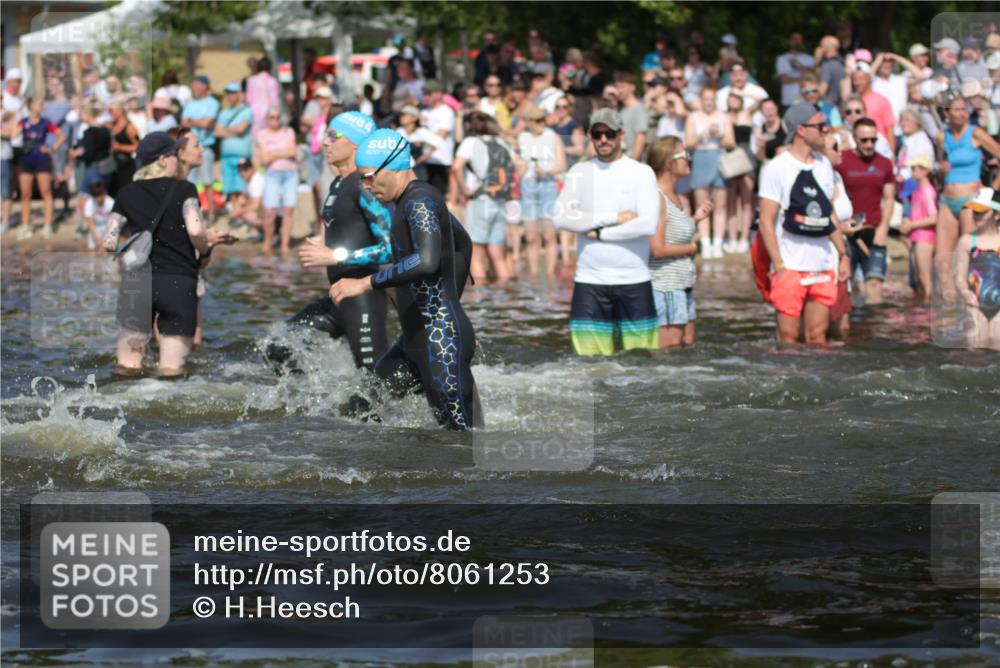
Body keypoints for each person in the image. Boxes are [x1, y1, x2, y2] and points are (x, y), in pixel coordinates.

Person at [328, 129, 481, 431]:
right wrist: (449, 294)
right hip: (415, 340)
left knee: (464, 441)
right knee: (361, 406)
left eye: (369, 177)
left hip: (441, 342)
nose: (366, 186)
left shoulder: (420, 201)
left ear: (394, 165)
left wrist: (366, 283)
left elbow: (425, 261)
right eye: (361, 179)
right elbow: (463, 243)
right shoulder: (410, 200)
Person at [261, 112, 392, 372]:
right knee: (277, 347)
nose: (325, 142)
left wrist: (335, 256)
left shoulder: (365, 185)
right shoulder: (336, 184)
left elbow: (389, 249)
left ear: (356, 143)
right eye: (325, 135)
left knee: (373, 384)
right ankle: (313, 403)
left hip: (363, 298)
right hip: (337, 298)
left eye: (334, 136)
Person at [102, 132, 234, 375]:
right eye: (174, 155)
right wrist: (205, 250)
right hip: (177, 281)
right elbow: (195, 230)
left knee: (127, 368)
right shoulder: (185, 189)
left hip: (135, 284)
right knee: (171, 371)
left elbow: (109, 241)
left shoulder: (125, 193)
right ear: (163, 160)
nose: (177, 160)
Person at [552, 108, 660, 356]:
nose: (603, 140)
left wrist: (600, 233)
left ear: (621, 135)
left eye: (609, 134)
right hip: (590, 281)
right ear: (590, 136)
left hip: (634, 280)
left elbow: (647, 224)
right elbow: (560, 219)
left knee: (644, 363)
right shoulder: (580, 172)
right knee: (589, 364)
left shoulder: (641, 172)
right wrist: (611, 218)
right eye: (597, 134)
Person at [755, 103, 851, 344]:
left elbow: (830, 214)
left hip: (822, 264)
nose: (825, 131)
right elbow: (766, 222)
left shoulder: (824, 165)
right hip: (790, 265)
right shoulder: (777, 168)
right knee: (788, 338)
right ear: (801, 129)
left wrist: (843, 254)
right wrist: (778, 265)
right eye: (820, 126)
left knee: (818, 337)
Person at [647, 137, 711, 347]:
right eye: (684, 155)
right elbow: (657, 249)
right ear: (668, 162)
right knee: (669, 355)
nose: (689, 159)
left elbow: (671, 233)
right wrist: (691, 248)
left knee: (686, 349)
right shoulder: (656, 198)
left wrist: (694, 219)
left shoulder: (674, 196)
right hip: (665, 286)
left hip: (683, 284)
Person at [935, 95, 1000, 299]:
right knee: (942, 260)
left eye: (965, 110)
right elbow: (940, 166)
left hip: (970, 200)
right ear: (946, 113)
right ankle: (949, 310)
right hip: (947, 200)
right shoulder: (941, 137)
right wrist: (941, 170)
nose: (963, 113)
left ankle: (975, 303)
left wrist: (991, 192)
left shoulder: (976, 133)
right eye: (957, 109)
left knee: (970, 256)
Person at [836, 117, 896, 305]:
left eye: (873, 140)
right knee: (845, 286)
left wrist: (884, 227)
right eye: (864, 140)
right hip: (847, 233)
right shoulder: (841, 160)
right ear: (854, 137)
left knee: (875, 286)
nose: (869, 145)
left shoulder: (884, 163)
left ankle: (875, 331)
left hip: (874, 231)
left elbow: (889, 198)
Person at [453, 111, 517, 283]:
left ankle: (481, 303)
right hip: (500, 200)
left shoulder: (470, 142)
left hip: (480, 200)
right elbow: (520, 166)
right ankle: (505, 295)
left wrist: (465, 188)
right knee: (498, 254)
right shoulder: (501, 142)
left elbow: (456, 167)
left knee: (476, 253)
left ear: (470, 126)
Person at [516, 106, 566, 278]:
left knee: (549, 234)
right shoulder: (522, 137)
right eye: (533, 121)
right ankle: (534, 274)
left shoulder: (553, 136)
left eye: (540, 120)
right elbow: (517, 161)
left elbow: (562, 165)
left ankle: (551, 273)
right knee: (531, 236)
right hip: (528, 186)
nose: (538, 124)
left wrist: (545, 170)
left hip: (547, 185)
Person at [686, 87, 734, 259]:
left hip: (719, 158)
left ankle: (718, 243)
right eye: (705, 99)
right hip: (700, 157)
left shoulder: (724, 117)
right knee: (702, 204)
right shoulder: (693, 117)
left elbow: (730, 143)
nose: (708, 102)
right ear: (701, 99)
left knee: (720, 205)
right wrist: (703, 134)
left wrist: (719, 134)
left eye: (711, 99)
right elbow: (688, 143)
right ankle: (706, 242)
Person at [956, 188, 1000, 349]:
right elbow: (960, 278)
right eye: (974, 211)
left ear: (997, 214)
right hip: (975, 306)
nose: (976, 215)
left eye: (981, 212)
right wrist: (966, 293)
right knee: (975, 351)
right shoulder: (967, 241)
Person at [16, 98, 65, 238]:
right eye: (39, 103)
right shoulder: (23, 122)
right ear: (31, 105)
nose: (41, 106)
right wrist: (15, 114)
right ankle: (25, 226)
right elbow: (13, 133)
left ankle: (47, 226)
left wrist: (52, 148)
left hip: (42, 161)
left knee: (46, 192)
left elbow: (61, 136)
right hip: (26, 160)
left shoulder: (46, 122)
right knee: (25, 194)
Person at [255, 106, 299, 255]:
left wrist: (274, 153)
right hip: (272, 174)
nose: (275, 120)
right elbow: (264, 158)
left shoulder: (288, 131)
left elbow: (293, 152)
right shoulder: (262, 134)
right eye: (272, 117)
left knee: (288, 209)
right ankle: (267, 242)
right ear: (267, 119)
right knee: (270, 211)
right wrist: (283, 153)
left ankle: (284, 245)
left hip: (290, 174)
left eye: (278, 117)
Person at [898, 154, 937, 304]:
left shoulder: (927, 190)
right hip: (917, 236)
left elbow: (934, 217)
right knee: (919, 277)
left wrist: (911, 225)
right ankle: (924, 304)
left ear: (925, 170)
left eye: (915, 169)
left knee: (925, 276)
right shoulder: (918, 190)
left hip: (925, 237)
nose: (912, 172)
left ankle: (929, 305)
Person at [181, 75, 220, 222]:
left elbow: (207, 123)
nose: (194, 87)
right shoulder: (190, 103)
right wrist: (199, 122)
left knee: (207, 181)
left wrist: (193, 122)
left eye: (197, 84)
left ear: (205, 86)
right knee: (189, 182)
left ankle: (211, 213)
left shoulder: (213, 103)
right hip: (189, 148)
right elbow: (184, 123)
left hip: (205, 147)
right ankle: (191, 212)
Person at [724, 89, 756, 253]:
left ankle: (744, 238)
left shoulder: (747, 113)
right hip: (730, 157)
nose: (734, 100)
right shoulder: (723, 116)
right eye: (732, 98)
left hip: (746, 156)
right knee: (730, 201)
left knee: (746, 201)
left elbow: (761, 99)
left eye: (737, 98)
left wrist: (741, 92)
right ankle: (731, 237)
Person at [215, 81, 254, 204]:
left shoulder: (247, 111)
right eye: (228, 93)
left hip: (242, 154)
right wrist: (233, 131)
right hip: (227, 155)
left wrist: (225, 130)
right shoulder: (224, 112)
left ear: (239, 94)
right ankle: (236, 212)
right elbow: (217, 132)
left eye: (232, 93)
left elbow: (241, 129)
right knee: (230, 186)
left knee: (243, 185)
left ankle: (242, 213)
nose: (229, 96)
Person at [420, 80, 456, 197]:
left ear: (439, 94)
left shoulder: (447, 112)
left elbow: (441, 136)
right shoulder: (425, 111)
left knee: (438, 197)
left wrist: (427, 154)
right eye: (425, 93)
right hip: (425, 161)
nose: (426, 96)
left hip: (441, 160)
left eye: (429, 93)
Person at [776, 32, 816, 112]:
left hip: (807, 101)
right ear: (789, 41)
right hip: (789, 102)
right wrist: (804, 78)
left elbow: (815, 77)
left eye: (799, 39)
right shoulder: (782, 59)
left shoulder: (809, 58)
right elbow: (784, 79)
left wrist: (798, 65)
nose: (797, 41)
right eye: (794, 39)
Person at [615, 71, 649, 160]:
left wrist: (633, 162)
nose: (619, 90)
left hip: (632, 161)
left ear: (632, 87)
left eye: (622, 87)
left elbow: (641, 137)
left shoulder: (638, 109)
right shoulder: (621, 110)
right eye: (617, 87)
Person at [109, 100, 139, 195]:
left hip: (127, 167)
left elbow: (138, 146)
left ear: (120, 110)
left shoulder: (129, 127)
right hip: (115, 167)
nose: (110, 113)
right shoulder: (112, 126)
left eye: (111, 110)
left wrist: (120, 147)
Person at [246, 57, 280, 138]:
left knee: (256, 139)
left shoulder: (252, 80)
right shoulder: (272, 81)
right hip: (269, 113)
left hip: (254, 112)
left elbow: (248, 99)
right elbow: (275, 100)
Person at [227, 158, 264, 232]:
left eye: (245, 169)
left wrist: (239, 211)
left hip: (274, 213)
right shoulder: (249, 181)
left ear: (252, 169)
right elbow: (242, 199)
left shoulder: (256, 181)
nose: (242, 173)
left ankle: (271, 232)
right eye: (240, 170)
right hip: (266, 211)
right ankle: (263, 232)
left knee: (247, 215)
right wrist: (236, 208)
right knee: (231, 206)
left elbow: (256, 205)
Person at [815, 36, 845, 110]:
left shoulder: (827, 65)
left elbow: (822, 90)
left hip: (827, 106)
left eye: (821, 46)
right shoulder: (842, 62)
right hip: (840, 105)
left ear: (826, 48)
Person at [82, 180, 114, 250]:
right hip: (94, 228)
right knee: (92, 250)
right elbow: (90, 223)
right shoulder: (89, 203)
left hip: (108, 227)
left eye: (99, 195)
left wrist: (106, 238)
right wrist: (98, 239)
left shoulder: (111, 203)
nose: (97, 199)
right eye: (95, 196)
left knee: (108, 250)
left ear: (104, 193)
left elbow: (112, 223)